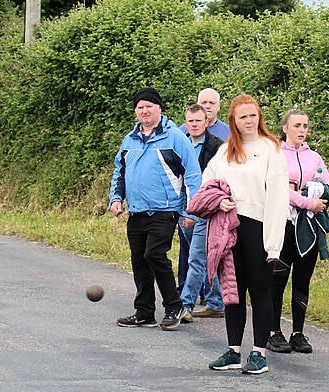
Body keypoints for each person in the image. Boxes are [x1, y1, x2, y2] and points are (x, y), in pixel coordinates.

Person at [197, 94, 288, 374]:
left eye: (253, 115)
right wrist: (218, 201)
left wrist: (273, 245)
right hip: (229, 230)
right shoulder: (226, 151)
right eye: (242, 117)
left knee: (260, 292)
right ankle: (233, 350)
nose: (249, 121)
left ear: (259, 116)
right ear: (233, 122)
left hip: (258, 229)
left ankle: (259, 352)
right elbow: (207, 183)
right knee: (233, 293)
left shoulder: (271, 148)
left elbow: (277, 198)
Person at [109, 87, 201, 331]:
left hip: (165, 209)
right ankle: (144, 312)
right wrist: (116, 198)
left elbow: (192, 174)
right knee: (139, 260)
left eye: (149, 106)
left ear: (159, 108)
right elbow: (120, 171)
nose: (145, 110)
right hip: (137, 210)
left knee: (154, 254)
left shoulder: (174, 137)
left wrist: (191, 211)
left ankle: (174, 306)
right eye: (140, 107)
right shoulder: (130, 139)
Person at [267, 109, 329, 354]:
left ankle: (298, 332)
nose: (302, 130)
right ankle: (273, 332)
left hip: (308, 228)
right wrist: (308, 200)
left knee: (302, 280)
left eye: (305, 126)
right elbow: (277, 189)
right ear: (285, 128)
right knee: (277, 280)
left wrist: (310, 193)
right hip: (283, 225)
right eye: (297, 125)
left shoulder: (314, 157)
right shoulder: (274, 153)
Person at [176, 88, 229, 299]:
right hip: (184, 203)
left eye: (211, 103)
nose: (207, 106)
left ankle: (186, 303)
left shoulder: (222, 138)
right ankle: (212, 298)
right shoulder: (181, 137)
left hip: (208, 205)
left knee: (201, 254)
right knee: (192, 252)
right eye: (203, 102)